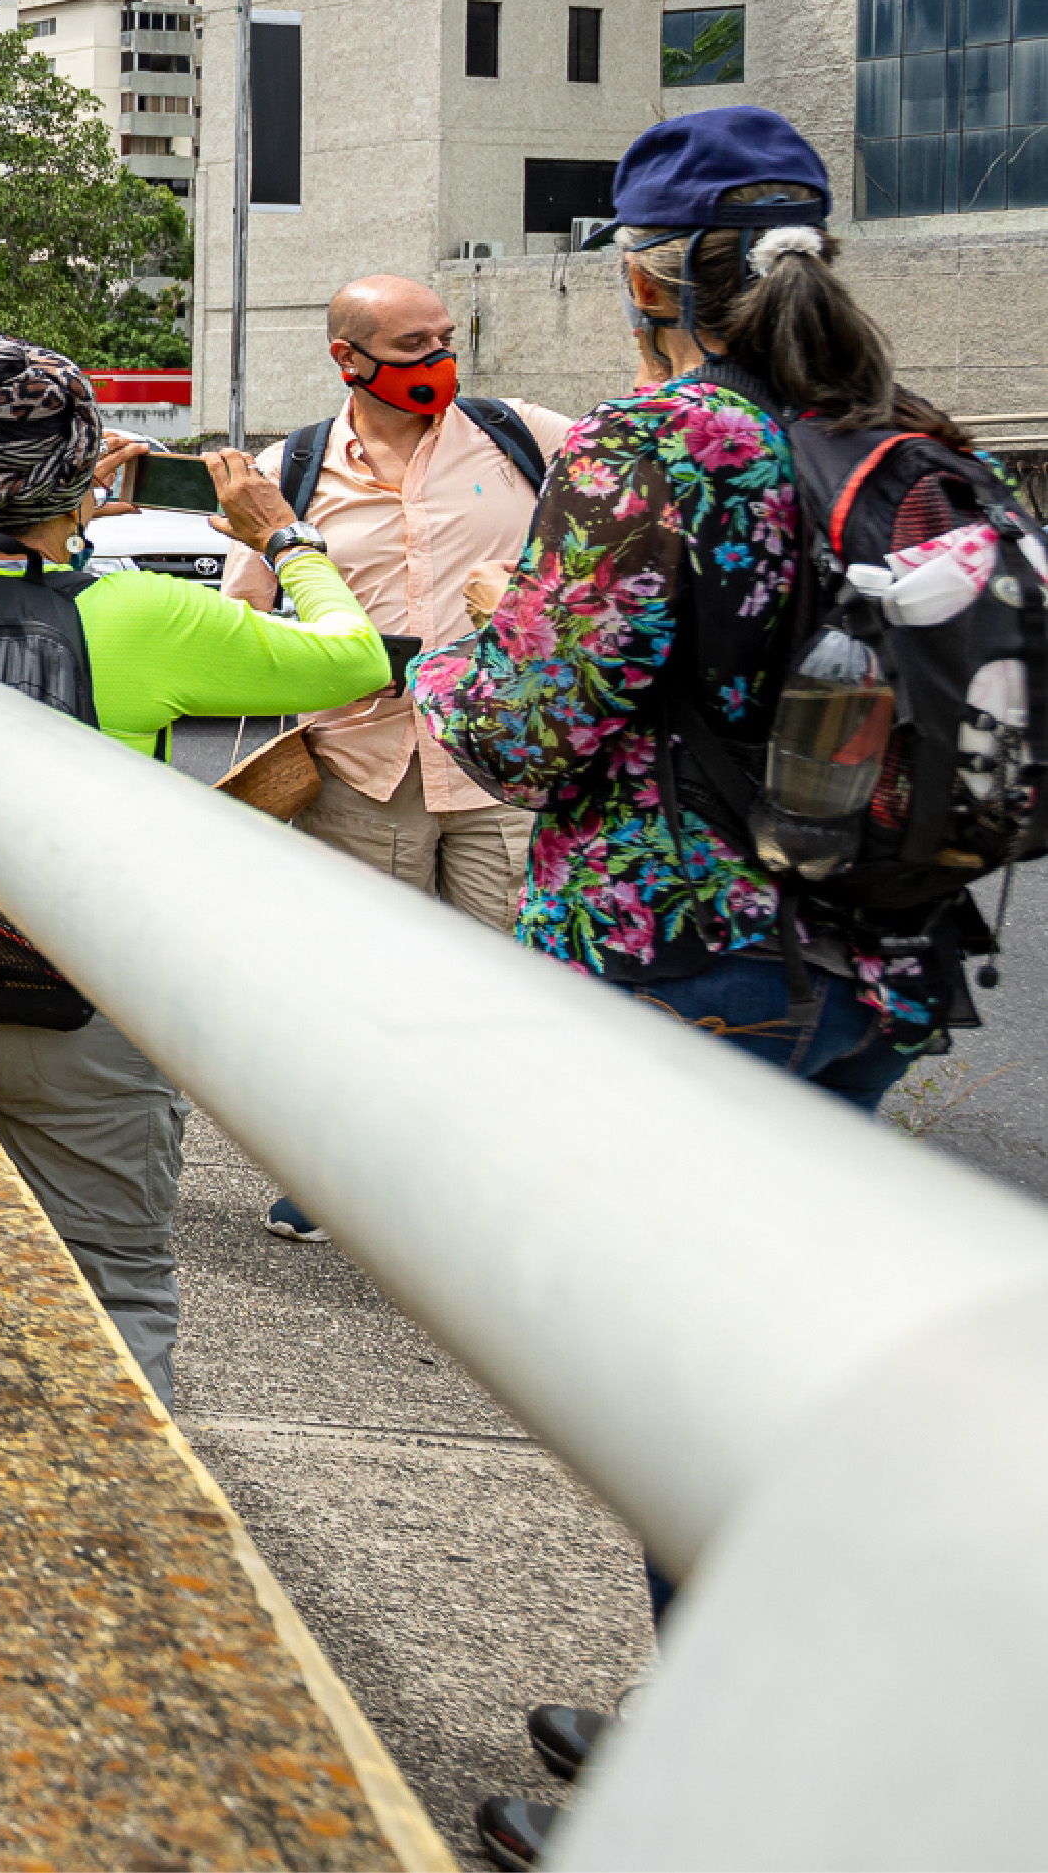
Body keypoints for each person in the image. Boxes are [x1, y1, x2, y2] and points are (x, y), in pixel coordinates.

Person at [409, 107, 999, 1871]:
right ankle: (725, 1713)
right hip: (878, 954)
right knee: (777, 1353)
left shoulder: (664, 443)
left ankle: (748, 1794)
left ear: (649, 276)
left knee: (698, 1377)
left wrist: (481, 620)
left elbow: (518, 719)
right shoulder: (911, 434)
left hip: (692, 960)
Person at [0, 337, 388, 1403]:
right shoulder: (153, 616)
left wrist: (5, 492)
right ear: (82, 474)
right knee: (113, 1283)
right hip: (83, 997)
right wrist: (289, 535)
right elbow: (352, 657)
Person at [215, 275, 573, 1246]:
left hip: (499, 764)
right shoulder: (291, 468)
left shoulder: (521, 438)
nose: (438, 361)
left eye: (446, 338)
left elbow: (609, 552)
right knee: (357, 984)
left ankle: (486, 1184)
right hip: (361, 765)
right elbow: (245, 619)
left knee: (512, 981)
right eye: (414, 345)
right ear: (351, 359)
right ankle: (331, 1174)